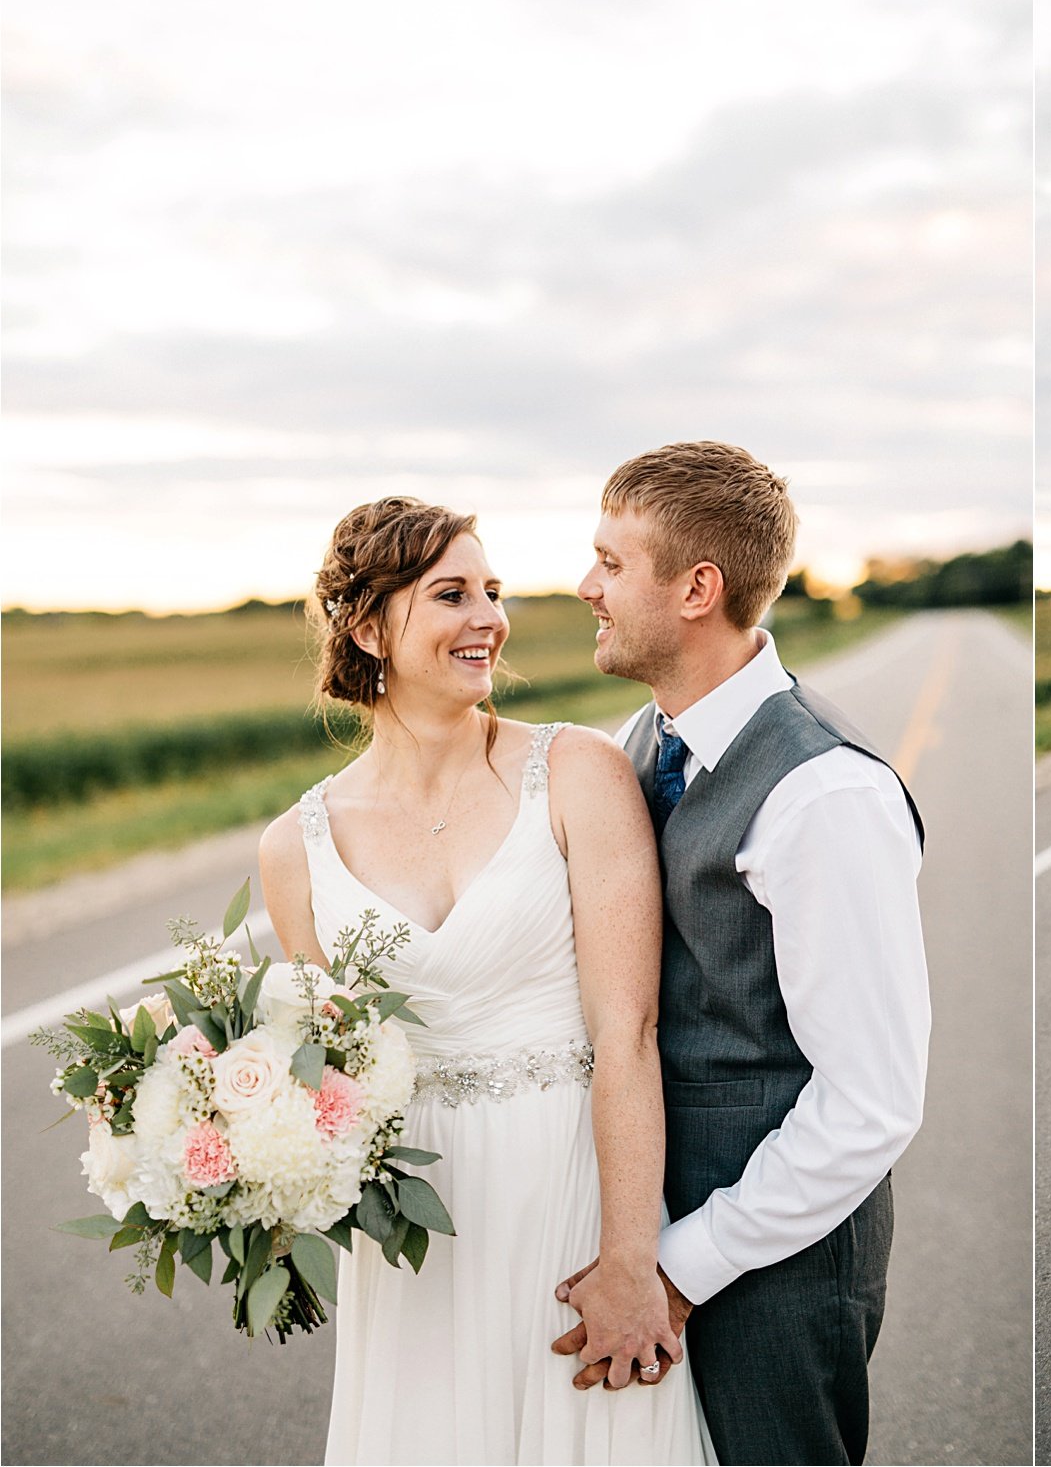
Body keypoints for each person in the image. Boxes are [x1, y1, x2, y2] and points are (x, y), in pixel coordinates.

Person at [258, 497, 711, 1464]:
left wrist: (635, 1258)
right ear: (368, 626)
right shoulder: (294, 848)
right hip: (420, 1239)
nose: (490, 620)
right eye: (452, 594)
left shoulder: (578, 773)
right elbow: (326, 1083)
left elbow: (629, 1033)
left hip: (572, 1192)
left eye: (493, 593)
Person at [550, 442, 930, 1466]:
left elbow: (871, 1102)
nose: (586, 587)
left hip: (775, 1268)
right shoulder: (641, 741)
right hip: (659, 1233)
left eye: (610, 564)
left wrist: (677, 1270)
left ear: (696, 589)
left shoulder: (823, 795)